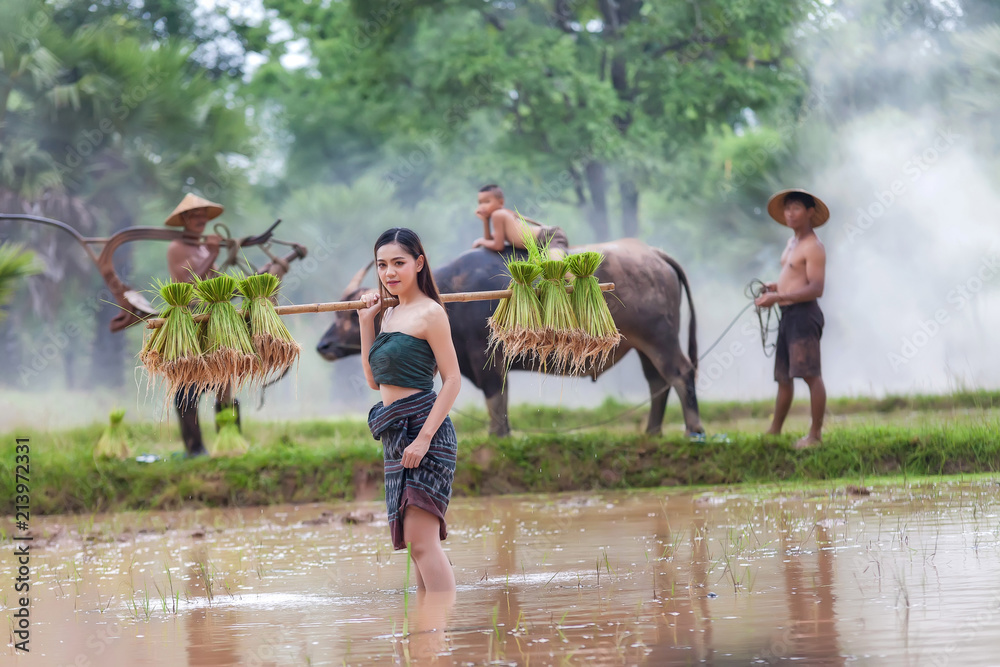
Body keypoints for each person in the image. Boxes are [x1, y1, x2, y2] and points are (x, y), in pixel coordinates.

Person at [358, 228, 462, 592]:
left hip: (424, 430)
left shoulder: (430, 313)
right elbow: (374, 380)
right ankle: (428, 640)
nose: (389, 273)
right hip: (394, 434)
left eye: (399, 263)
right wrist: (365, 322)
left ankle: (442, 632)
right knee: (417, 547)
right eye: (382, 265)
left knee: (423, 543)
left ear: (418, 263)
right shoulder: (389, 315)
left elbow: (451, 380)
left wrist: (422, 439)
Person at [754, 189, 829, 449]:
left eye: (796, 208)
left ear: (810, 212)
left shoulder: (813, 246)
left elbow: (816, 288)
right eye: (787, 208)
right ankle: (774, 431)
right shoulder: (792, 242)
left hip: (804, 315)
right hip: (788, 314)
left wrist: (777, 298)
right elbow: (794, 277)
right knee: (783, 377)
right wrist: (775, 287)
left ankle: (815, 435)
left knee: (810, 375)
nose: (790, 213)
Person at [472, 184, 569, 260]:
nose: (482, 206)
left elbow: (498, 246)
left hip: (549, 237)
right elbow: (490, 240)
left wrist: (480, 241)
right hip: (541, 242)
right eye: (480, 203)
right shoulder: (499, 216)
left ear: (500, 202)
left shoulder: (498, 214)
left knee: (556, 266)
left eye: (487, 202)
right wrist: (485, 221)